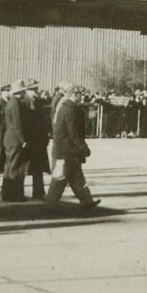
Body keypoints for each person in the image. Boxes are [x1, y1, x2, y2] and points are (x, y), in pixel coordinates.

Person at [46, 83, 100, 211]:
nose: (83, 96)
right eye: (81, 93)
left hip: (67, 150)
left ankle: (86, 200)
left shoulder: (67, 106)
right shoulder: (70, 108)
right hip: (67, 150)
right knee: (60, 178)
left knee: (76, 176)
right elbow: (73, 131)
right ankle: (49, 204)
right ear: (75, 94)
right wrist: (83, 147)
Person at [1, 79, 37, 202]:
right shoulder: (16, 104)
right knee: (16, 168)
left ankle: (7, 194)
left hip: (9, 138)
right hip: (16, 140)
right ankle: (16, 195)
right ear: (20, 92)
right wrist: (23, 140)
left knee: (9, 167)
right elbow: (18, 124)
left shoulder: (10, 102)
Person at [0, 84, 10, 175]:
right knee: (0, 147)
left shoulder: (7, 101)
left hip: (6, 127)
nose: (8, 92)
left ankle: (2, 166)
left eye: (9, 91)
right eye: (6, 91)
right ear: (2, 92)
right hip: (1, 128)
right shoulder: (0, 101)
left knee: (4, 147)